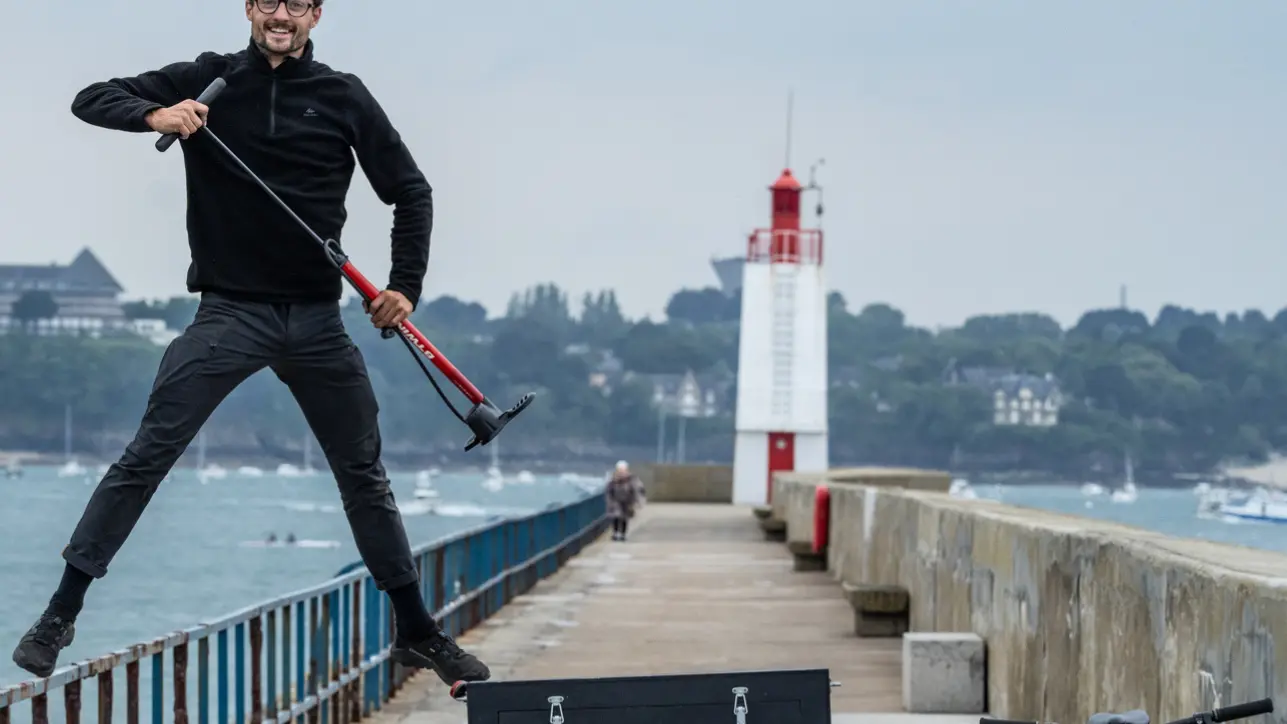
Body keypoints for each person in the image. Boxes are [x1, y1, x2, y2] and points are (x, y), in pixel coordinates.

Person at [11, 0, 490, 687]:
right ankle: (60, 614)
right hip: (229, 313)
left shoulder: (343, 95)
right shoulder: (205, 78)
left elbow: (410, 191)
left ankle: (417, 632)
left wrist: (403, 287)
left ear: (315, 16)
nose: (280, 15)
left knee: (365, 478)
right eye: (269, 0)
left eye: (296, 4)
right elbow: (90, 98)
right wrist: (156, 114)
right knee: (146, 455)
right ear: (249, 8)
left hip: (318, 321)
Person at [605, 461, 645, 541]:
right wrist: (609, 501)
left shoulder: (631, 478)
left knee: (624, 518)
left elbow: (636, 490)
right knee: (616, 517)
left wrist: (638, 501)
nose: (621, 471)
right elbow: (609, 490)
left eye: (623, 469)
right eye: (620, 469)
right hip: (616, 501)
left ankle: (623, 534)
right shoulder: (612, 479)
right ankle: (615, 533)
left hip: (627, 502)